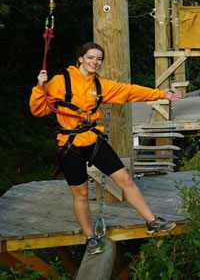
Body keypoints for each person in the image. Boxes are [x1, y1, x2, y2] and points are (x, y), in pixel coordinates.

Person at [30, 42, 182, 255]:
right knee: (81, 194)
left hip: (94, 140)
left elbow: (129, 91)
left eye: (99, 59)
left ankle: (152, 220)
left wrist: (160, 94)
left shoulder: (100, 86)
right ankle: (90, 238)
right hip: (70, 145)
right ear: (80, 58)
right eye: (90, 57)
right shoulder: (59, 82)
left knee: (125, 180)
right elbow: (38, 110)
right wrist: (39, 87)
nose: (95, 62)